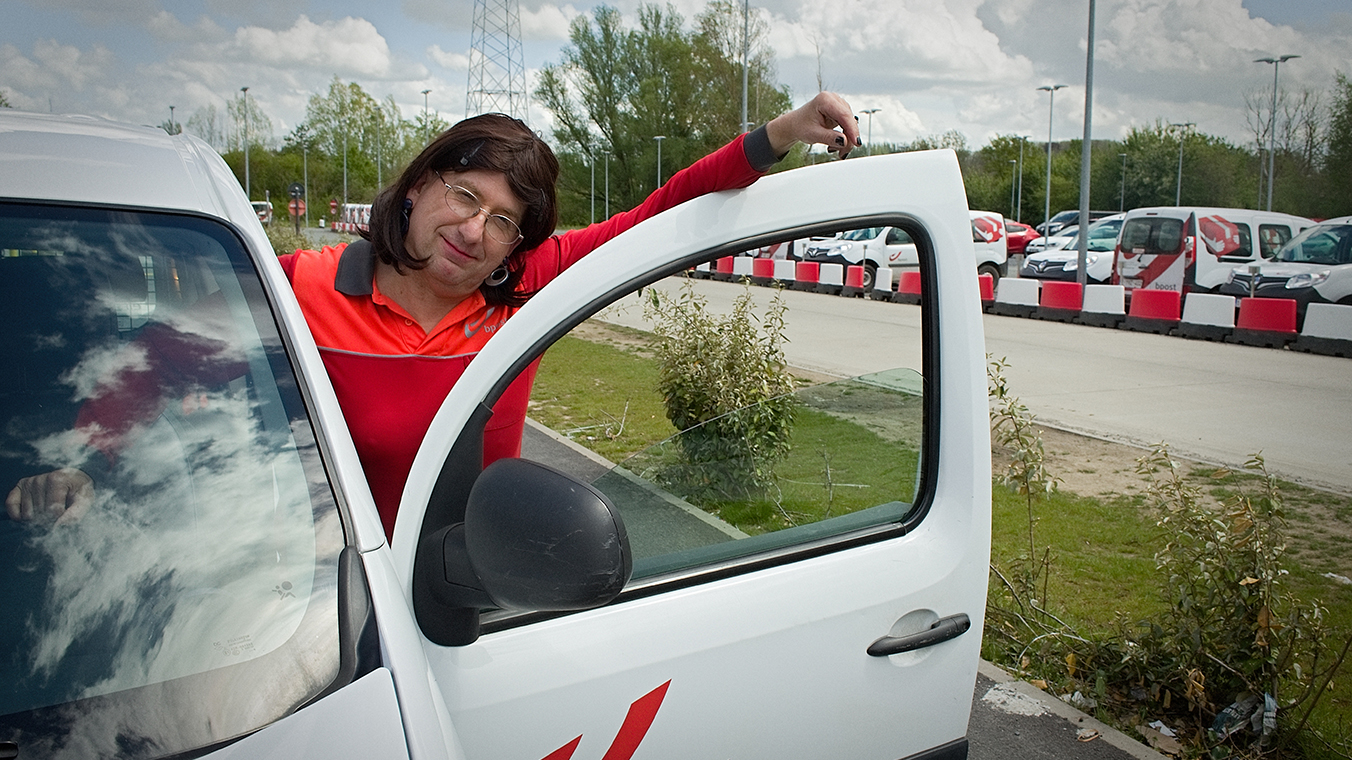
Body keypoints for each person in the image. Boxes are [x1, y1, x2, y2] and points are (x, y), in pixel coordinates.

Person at [8, 93, 861, 541]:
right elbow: (163, 361)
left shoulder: (532, 281)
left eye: (504, 220)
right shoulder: (306, 286)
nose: (476, 231)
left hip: (477, 590)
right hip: (336, 597)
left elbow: (663, 210)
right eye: (464, 195)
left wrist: (778, 132)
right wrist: (86, 464)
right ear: (418, 187)